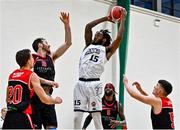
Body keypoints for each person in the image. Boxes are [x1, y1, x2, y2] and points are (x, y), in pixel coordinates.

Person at [73, 7, 127, 129]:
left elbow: (119, 38)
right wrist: (106, 18)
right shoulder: (88, 45)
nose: (96, 33)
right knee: (76, 117)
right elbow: (88, 27)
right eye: (97, 33)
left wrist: (122, 19)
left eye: (99, 34)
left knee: (96, 117)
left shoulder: (107, 51)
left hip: (94, 83)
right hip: (80, 83)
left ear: (103, 39)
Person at [31, 12, 72, 129]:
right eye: (46, 42)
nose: (49, 45)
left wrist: (67, 25)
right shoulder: (32, 58)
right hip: (35, 99)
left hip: (48, 98)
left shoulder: (51, 57)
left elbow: (68, 43)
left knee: (52, 128)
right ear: (40, 44)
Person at [2, 49, 62, 129]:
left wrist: (49, 82)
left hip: (9, 117)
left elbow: (7, 99)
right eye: (32, 57)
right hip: (23, 117)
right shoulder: (31, 75)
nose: (34, 59)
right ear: (28, 61)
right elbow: (44, 99)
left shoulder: (12, 75)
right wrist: (56, 100)